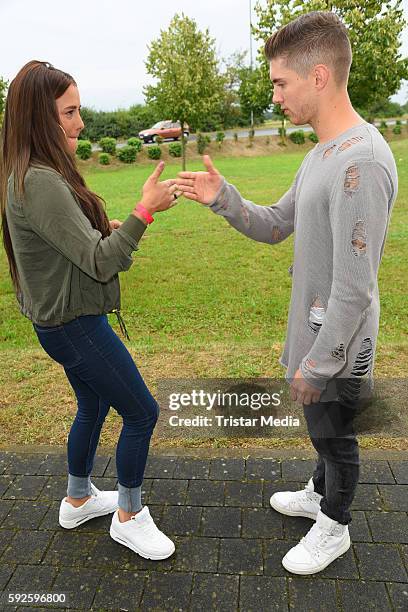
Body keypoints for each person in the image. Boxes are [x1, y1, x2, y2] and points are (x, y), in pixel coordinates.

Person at [175, 11, 398, 575]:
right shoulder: (321, 154)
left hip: (339, 348)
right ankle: (318, 494)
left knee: (336, 436)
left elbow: (355, 287)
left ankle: (335, 525)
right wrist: (222, 196)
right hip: (315, 337)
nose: (274, 95)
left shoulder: (361, 162)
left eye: (280, 82)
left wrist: (317, 365)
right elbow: (275, 224)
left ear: (317, 76)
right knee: (322, 432)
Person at [1, 60, 180, 560]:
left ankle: (77, 499)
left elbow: (73, 246)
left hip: (60, 322)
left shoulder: (28, 172)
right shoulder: (38, 180)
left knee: (93, 405)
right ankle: (129, 516)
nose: (81, 122)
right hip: (74, 325)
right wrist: (144, 213)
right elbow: (102, 262)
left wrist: (111, 227)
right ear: (42, 117)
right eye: (70, 112)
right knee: (143, 412)